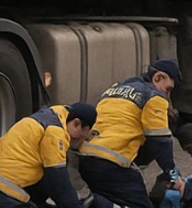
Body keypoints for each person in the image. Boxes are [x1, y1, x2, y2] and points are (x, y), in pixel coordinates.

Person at [79, 59, 184, 208]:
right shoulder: (153, 96)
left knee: (111, 198)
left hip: (86, 158)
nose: (167, 95)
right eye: (167, 89)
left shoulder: (113, 90)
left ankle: (96, 202)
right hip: (112, 164)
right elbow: (160, 141)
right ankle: (94, 204)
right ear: (158, 77)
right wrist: (173, 174)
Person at [0, 102, 97, 208]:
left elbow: (43, 185)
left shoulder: (46, 119)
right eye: (80, 139)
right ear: (76, 123)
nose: (78, 143)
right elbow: (58, 183)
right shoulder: (55, 132)